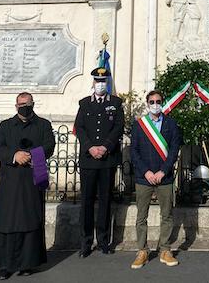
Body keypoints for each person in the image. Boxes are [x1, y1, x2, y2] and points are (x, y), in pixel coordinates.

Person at [0, 92, 55, 279]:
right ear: (16, 106)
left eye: (27, 103)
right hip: (11, 180)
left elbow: (50, 145)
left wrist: (32, 155)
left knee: (31, 219)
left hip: (34, 177)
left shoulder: (44, 125)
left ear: (33, 104)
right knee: (7, 220)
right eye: (20, 104)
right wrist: (14, 156)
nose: (24, 106)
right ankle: (5, 265)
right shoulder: (6, 125)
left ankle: (28, 263)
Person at [74, 66, 124, 257]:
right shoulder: (84, 104)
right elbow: (79, 127)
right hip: (88, 159)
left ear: (107, 83)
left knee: (105, 201)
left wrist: (105, 147)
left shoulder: (116, 103)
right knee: (86, 201)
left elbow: (118, 127)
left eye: (104, 81)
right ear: (93, 82)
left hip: (107, 159)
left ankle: (103, 241)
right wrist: (90, 147)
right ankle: (85, 242)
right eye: (97, 81)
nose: (100, 85)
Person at [129, 90, 182, 269]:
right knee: (141, 216)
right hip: (144, 178)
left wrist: (162, 171)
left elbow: (174, 150)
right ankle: (142, 251)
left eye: (158, 101)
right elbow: (134, 152)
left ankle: (165, 250)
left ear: (163, 102)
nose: (155, 104)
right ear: (147, 103)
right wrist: (146, 172)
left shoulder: (171, 124)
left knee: (166, 215)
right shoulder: (139, 125)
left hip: (164, 177)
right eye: (152, 101)